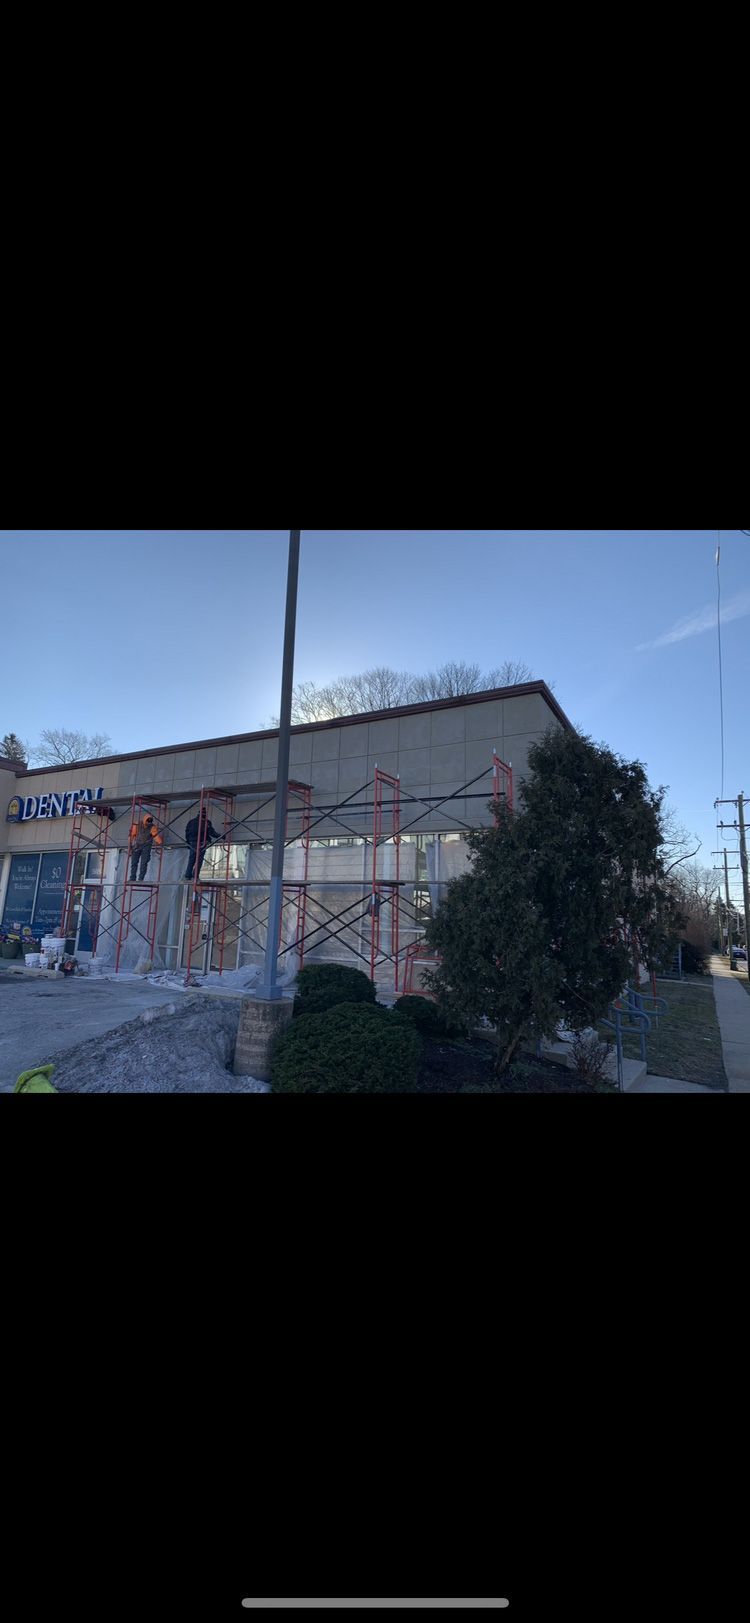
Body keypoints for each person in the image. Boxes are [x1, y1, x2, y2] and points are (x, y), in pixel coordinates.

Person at [185, 809, 220, 881]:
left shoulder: (191, 822)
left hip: (192, 843)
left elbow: (187, 832)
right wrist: (221, 836)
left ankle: (188, 875)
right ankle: (195, 876)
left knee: (192, 859)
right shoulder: (206, 822)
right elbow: (211, 832)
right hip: (201, 843)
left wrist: (188, 842)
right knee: (199, 860)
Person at [130, 813, 160, 882]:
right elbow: (132, 834)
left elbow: (155, 836)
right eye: (147, 821)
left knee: (144, 863)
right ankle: (132, 878)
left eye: (150, 822)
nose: (148, 823)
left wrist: (160, 842)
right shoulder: (137, 824)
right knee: (134, 863)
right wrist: (130, 845)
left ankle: (141, 878)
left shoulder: (152, 827)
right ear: (145, 820)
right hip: (136, 845)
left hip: (146, 846)